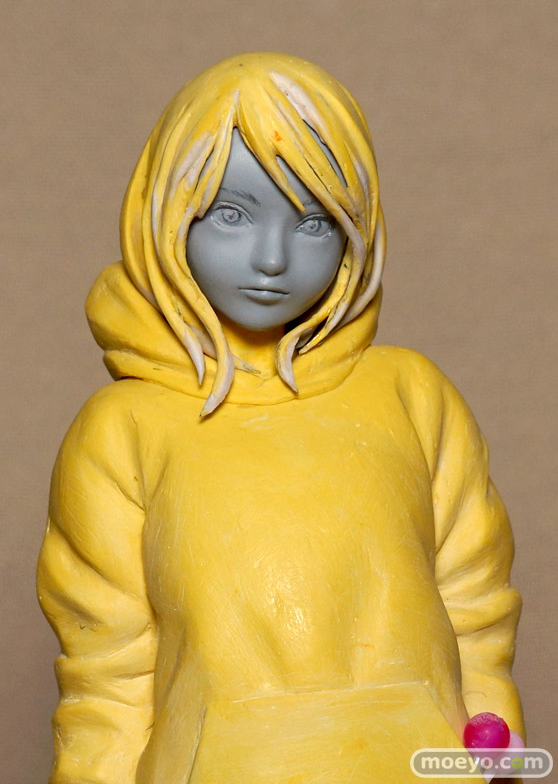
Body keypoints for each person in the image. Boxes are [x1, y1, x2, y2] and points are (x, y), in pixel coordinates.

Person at [37, 52, 525, 784]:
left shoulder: (413, 394)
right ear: (165, 215)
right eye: (231, 215)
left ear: (359, 230)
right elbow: (108, 673)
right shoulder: (121, 430)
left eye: (314, 222)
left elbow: (477, 613)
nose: (271, 258)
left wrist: (497, 754)